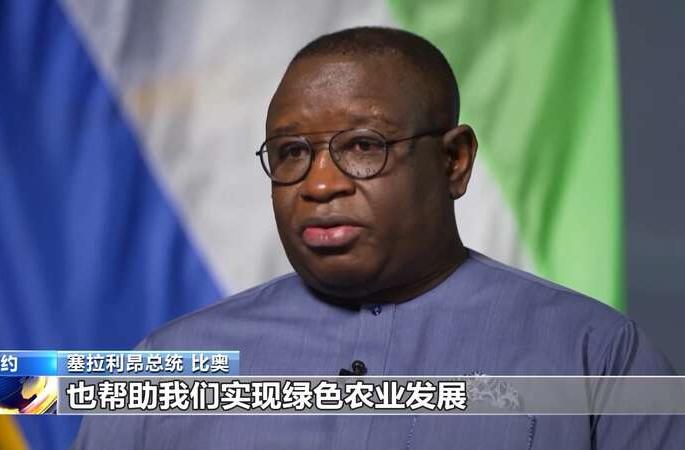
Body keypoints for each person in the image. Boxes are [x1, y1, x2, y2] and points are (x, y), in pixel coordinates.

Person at [73, 27, 682, 449]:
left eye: (364, 146)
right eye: (291, 153)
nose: (319, 184)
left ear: (454, 162)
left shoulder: (598, 357)